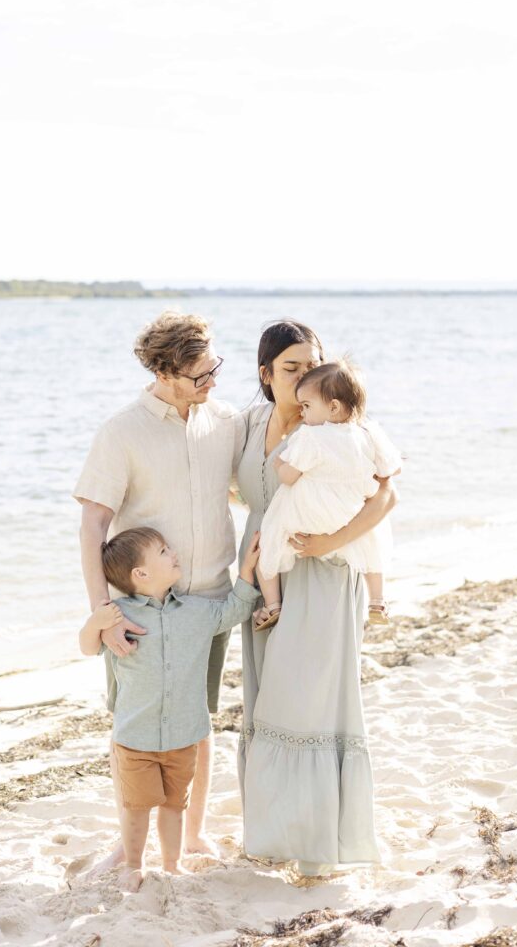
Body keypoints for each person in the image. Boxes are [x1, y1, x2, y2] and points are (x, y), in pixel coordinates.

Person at [74, 310, 245, 863]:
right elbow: (94, 524)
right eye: (201, 374)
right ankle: (129, 843)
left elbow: (246, 492)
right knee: (133, 724)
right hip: (140, 609)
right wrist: (104, 612)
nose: (212, 381)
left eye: (214, 367)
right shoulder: (122, 431)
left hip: (211, 599)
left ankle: (191, 833)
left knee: (199, 718)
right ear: (165, 372)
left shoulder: (226, 421)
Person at [236, 320, 399, 875]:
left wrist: (331, 539)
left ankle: (319, 847)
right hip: (267, 571)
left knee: (313, 700)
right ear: (266, 374)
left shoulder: (344, 423)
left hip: (327, 565)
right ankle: (273, 833)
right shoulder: (246, 425)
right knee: (268, 700)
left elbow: (386, 497)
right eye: (291, 367)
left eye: (312, 364)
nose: (306, 374)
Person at [79, 526, 261, 890]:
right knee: (136, 807)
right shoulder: (118, 616)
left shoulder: (196, 612)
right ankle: (133, 864)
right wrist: (96, 620)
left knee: (175, 805)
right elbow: (87, 647)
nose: (173, 553)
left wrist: (246, 573)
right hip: (136, 735)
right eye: (163, 551)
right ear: (141, 575)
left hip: (183, 734)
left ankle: (172, 863)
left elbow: (236, 610)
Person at [254, 359, 401, 631]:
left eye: (307, 406)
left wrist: (279, 465)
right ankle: (378, 600)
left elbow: (289, 477)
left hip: (311, 515)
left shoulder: (311, 437)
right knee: (372, 539)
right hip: (349, 513)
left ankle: (273, 604)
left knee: (271, 539)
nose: (304, 414)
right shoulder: (369, 433)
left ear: (333, 407)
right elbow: (392, 468)